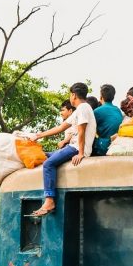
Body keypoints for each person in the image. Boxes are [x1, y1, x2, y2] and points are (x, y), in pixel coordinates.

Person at [26, 82, 96, 217]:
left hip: (76, 148)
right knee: (44, 155)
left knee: (48, 164)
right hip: (74, 146)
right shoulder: (81, 109)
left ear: (73, 95)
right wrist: (38, 135)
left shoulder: (83, 108)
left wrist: (81, 153)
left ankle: (49, 200)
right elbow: (61, 128)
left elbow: (82, 132)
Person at [92, 84, 122, 156]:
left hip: (104, 146)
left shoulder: (97, 111)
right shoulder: (118, 110)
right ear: (113, 97)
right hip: (117, 144)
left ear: (101, 97)